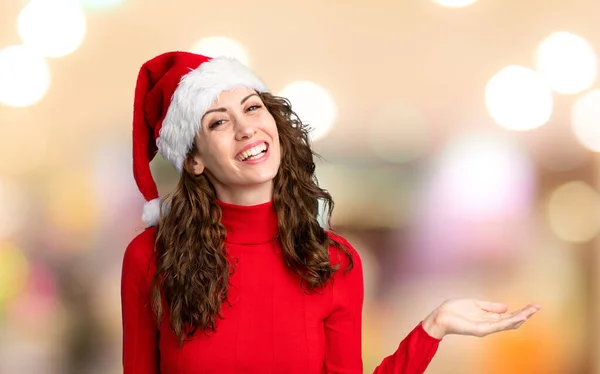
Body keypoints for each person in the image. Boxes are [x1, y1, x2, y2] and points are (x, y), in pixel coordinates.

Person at [121, 51, 540, 374]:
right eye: (217, 122)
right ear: (193, 160)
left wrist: (434, 327)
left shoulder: (333, 262)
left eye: (252, 108)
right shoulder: (151, 258)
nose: (246, 128)